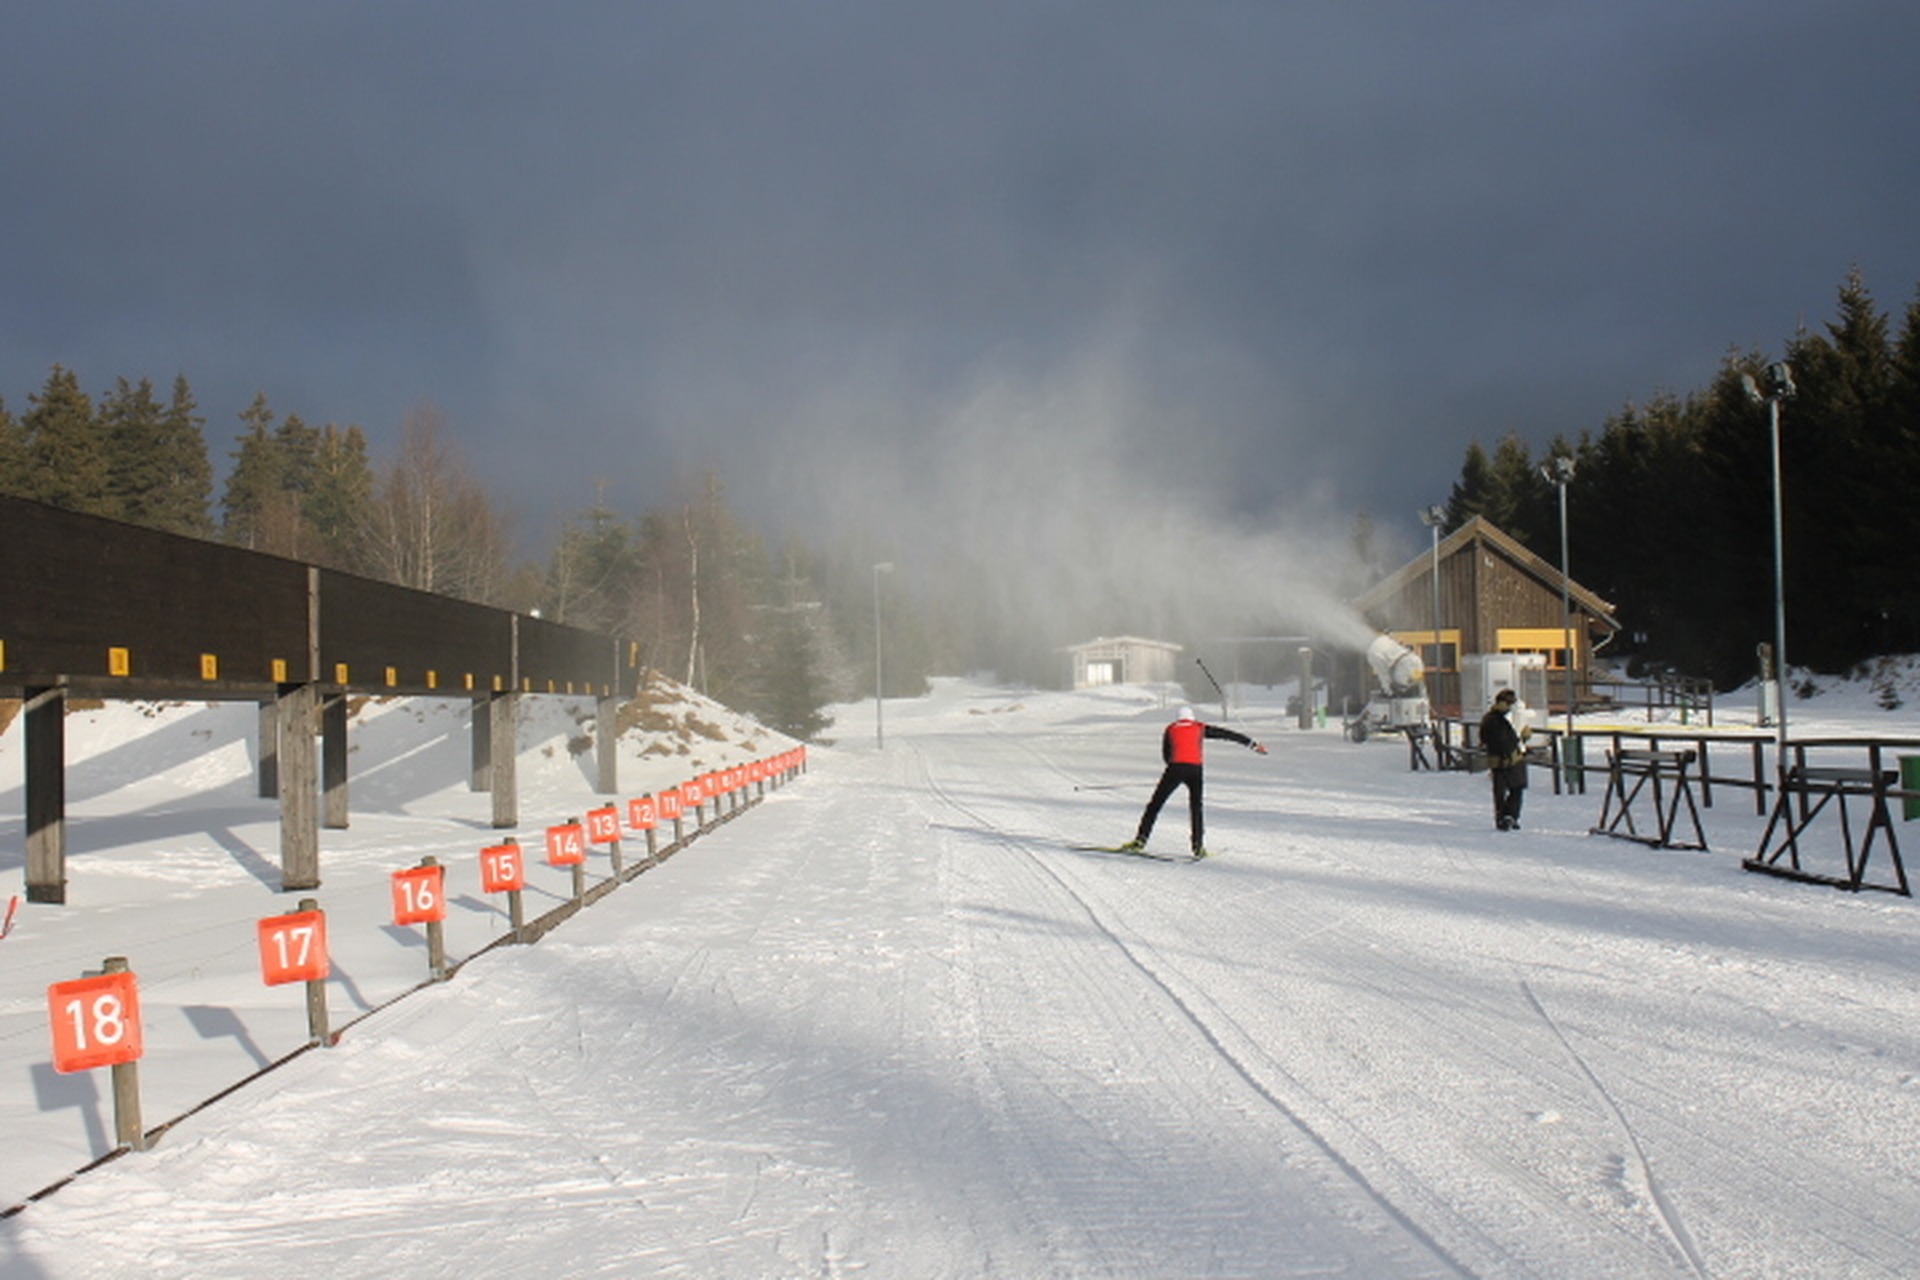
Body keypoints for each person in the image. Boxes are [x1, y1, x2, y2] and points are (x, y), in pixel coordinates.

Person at [1123, 706, 1267, 858]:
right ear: (1192, 718)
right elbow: (1227, 735)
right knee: (1196, 808)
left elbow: (1166, 753)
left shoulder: (1171, 729)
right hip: (1195, 770)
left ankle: (1141, 840)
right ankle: (1198, 847)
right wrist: (1252, 744)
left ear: (1178, 718)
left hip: (1175, 768)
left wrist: (1171, 774)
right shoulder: (1199, 727)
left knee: (1155, 805)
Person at [1479, 688, 1532, 831]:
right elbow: (1494, 738)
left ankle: (1506, 817)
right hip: (1506, 759)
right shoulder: (1495, 719)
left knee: (1508, 790)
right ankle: (1506, 816)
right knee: (1510, 790)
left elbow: (1484, 738)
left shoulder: (1492, 718)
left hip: (1505, 759)